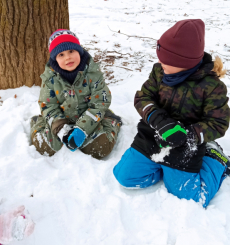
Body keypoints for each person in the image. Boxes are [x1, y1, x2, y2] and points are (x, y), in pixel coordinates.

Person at [113, 19, 230, 208]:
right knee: (125, 177)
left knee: (191, 198)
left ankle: (215, 159)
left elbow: (218, 123)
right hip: (154, 134)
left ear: (184, 62)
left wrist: (190, 135)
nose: (160, 62)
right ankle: (162, 167)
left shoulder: (211, 87)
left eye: (166, 60)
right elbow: (143, 98)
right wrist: (159, 120)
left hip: (186, 145)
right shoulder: (159, 72)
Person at [31, 29, 121, 158]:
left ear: (79, 51)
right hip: (62, 119)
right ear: (55, 59)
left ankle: (111, 121)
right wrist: (61, 129)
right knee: (45, 147)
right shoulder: (50, 78)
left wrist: (82, 129)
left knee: (100, 148)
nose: (67, 57)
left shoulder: (93, 74)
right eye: (61, 55)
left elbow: (100, 102)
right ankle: (38, 123)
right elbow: (48, 105)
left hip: (89, 118)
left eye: (71, 51)